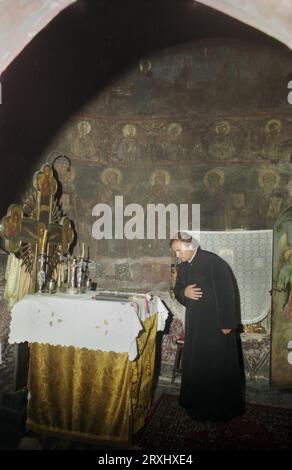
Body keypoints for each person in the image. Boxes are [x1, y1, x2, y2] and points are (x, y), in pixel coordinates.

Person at [171, 232, 244, 422]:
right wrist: (183, 292)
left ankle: (217, 410)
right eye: (175, 251)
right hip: (195, 323)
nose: (177, 255)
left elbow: (227, 292)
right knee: (197, 364)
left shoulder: (214, 262)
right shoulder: (183, 267)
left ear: (190, 246)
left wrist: (228, 323)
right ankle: (196, 404)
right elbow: (177, 290)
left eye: (179, 250)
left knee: (215, 366)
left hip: (216, 324)